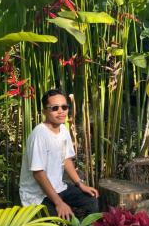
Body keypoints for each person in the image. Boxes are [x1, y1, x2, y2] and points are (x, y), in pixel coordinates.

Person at [19, 88, 99, 219]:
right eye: (55, 108)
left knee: (91, 201)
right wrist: (59, 203)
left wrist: (80, 184)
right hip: (37, 196)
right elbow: (38, 173)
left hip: (58, 187)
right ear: (45, 111)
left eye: (64, 107)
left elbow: (66, 160)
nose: (61, 111)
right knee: (62, 221)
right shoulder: (39, 135)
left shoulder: (63, 129)